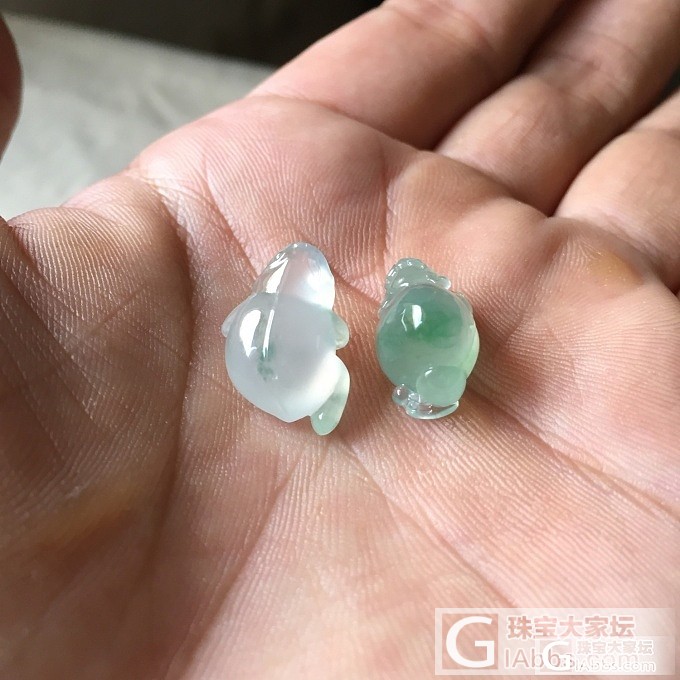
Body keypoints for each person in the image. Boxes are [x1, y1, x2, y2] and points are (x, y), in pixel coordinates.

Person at [0, 1, 678, 676]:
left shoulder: (303, 310)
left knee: (352, 376)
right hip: (309, 373)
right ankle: (349, 396)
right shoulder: (309, 313)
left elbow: (282, 325)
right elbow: (301, 327)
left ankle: (370, 394)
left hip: (333, 370)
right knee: (339, 380)